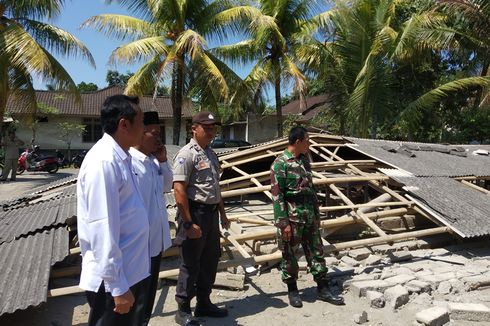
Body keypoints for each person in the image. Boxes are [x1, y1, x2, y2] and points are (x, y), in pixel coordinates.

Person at [77, 95, 150, 326]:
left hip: (128, 273)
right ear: (124, 124)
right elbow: (102, 227)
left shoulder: (121, 158)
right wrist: (117, 287)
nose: (144, 128)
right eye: (141, 122)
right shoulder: (104, 162)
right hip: (113, 281)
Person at [270, 126, 344, 308]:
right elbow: (277, 196)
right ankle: (293, 290)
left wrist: (317, 215)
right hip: (292, 218)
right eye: (307, 140)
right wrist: (283, 224)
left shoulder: (304, 161)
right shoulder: (280, 164)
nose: (309, 144)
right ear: (298, 142)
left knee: (317, 252)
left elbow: (311, 190)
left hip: (309, 215)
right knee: (290, 255)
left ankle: (323, 288)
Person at [173, 111, 230, 326]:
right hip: (194, 213)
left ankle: (204, 302)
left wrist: (222, 214)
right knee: (190, 261)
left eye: (213, 127)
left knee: (210, 258)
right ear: (193, 128)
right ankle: (183, 308)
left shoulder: (211, 154)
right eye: (206, 127)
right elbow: (179, 191)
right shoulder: (186, 154)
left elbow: (215, 187)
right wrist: (188, 223)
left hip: (211, 214)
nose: (211, 131)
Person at [129, 111, 173, 325]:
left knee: (147, 298)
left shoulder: (154, 161)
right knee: (135, 300)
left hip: (155, 244)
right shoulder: (131, 165)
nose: (158, 138)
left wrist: (163, 160)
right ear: (140, 133)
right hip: (138, 248)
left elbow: (167, 187)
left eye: (160, 133)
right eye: (153, 133)